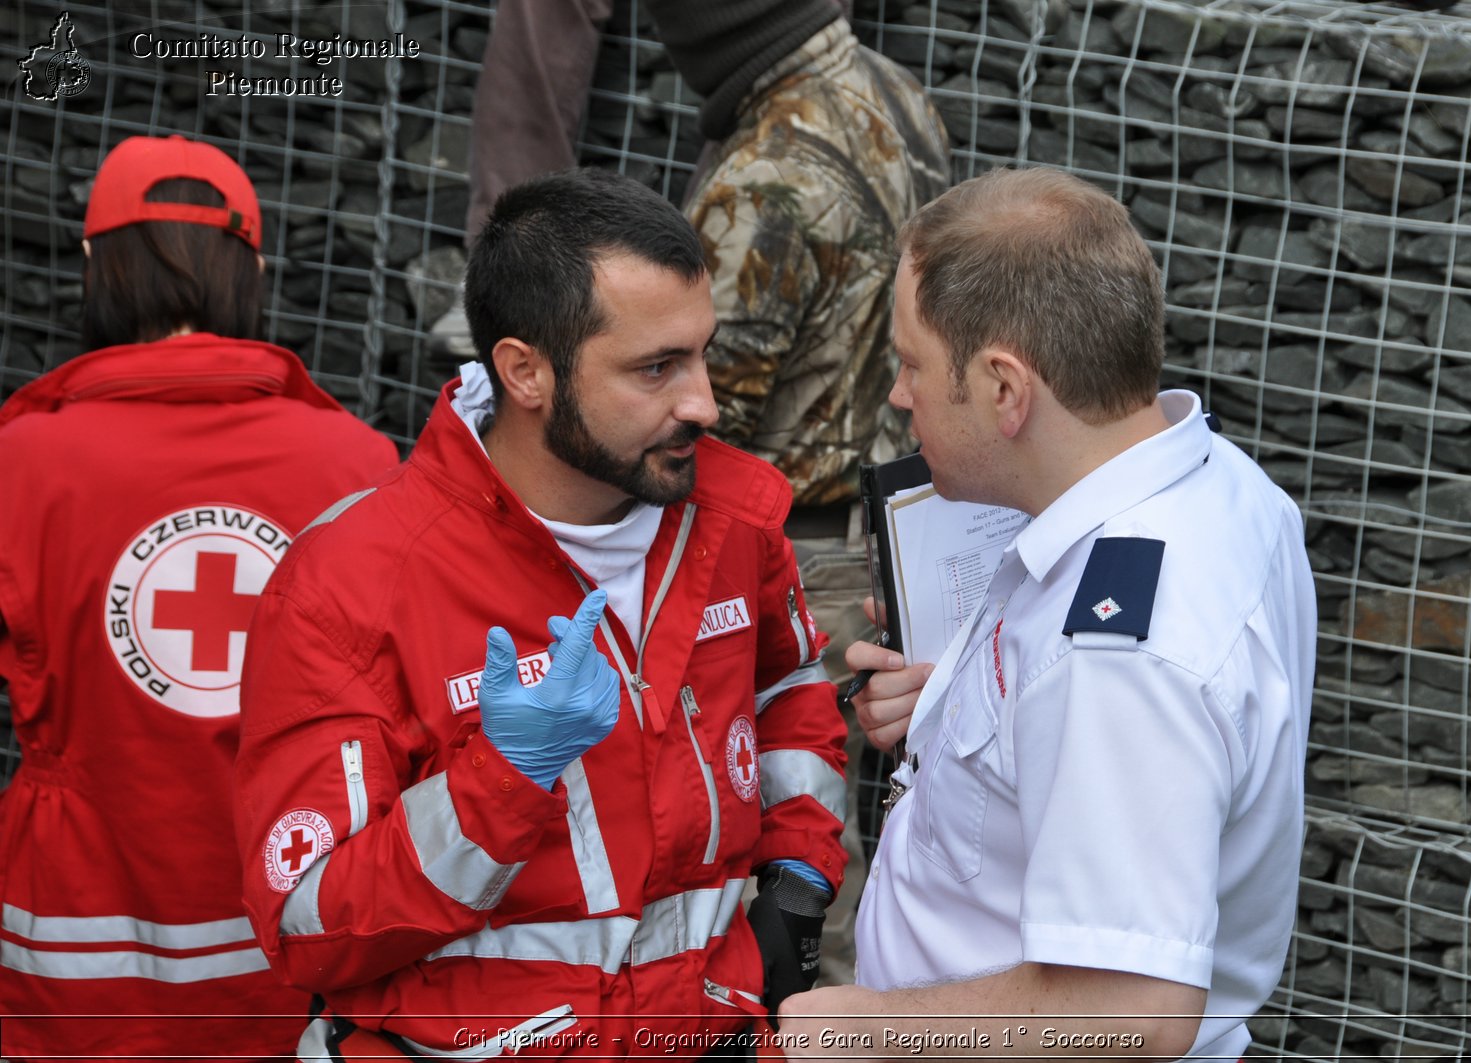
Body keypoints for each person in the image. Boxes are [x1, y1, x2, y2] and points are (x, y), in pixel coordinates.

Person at [234, 168, 848, 1058]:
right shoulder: (352, 583)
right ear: (525, 371)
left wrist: (799, 877)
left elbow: (787, 689)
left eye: (702, 352)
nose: (704, 403)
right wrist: (504, 783)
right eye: (656, 367)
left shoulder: (734, 522)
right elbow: (304, 926)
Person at [777, 167, 1317, 1060]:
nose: (899, 395)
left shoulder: (1115, 659)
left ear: (1004, 389)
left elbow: (1132, 1009)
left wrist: (871, 1024)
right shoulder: (1218, 484)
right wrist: (952, 699)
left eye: (911, 364)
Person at [0, 134, 399, 1062]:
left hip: (72, 959)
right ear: (252, 271)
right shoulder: (359, 464)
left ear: (97, 264)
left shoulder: (20, 462)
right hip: (292, 947)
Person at [650, 0, 950, 507]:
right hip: (891, 522)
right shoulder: (895, 88)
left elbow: (698, 421)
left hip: (787, 546)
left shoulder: (758, 183)